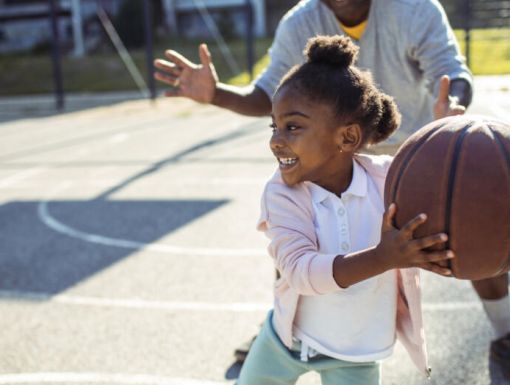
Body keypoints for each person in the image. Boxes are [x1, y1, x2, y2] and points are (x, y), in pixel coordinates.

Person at [154, 0, 510, 374]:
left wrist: (452, 107)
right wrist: (216, 93)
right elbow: (266, 94)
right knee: (299, 242)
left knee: (469, 223)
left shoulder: (413, 8)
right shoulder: (301, 21)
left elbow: (451, 71)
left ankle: (505, 330)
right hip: (327, 152)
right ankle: (285, 327)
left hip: (411, 155)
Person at [237, 35, 454, 385]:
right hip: (286, 339)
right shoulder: (282, 193)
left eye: (292, 126)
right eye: (274, 126)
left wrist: (448, 137)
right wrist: (384, 257)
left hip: (357, 353)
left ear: (348, 138)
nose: (276, 140)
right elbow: (300, 272)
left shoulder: (387, 180)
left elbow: (444, 188)